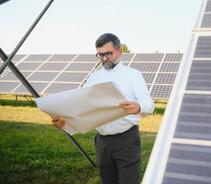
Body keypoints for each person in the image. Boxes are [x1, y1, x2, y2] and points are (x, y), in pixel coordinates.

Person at [52, 33, 155, 184]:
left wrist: (139, 106)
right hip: (102, 142)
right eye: (100, 55)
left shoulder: (133, 75)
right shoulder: (94, 77)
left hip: (126, 140)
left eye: (108, 53)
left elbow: (150, 104)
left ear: (119, 51)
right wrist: (65, 119)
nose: (104, 58)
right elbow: (82, 106)